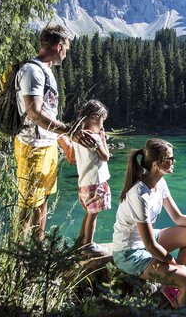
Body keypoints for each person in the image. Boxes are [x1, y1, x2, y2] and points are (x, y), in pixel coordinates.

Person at [112, 138, 186, 308]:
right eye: (170, 159)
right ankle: (178, 294)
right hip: (129, 252)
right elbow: (150, 246)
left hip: (147, 240)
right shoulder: (139, 195)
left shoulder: (160, 182)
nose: (174, 161)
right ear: (157, 164)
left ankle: (170, 285)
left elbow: (178, 217)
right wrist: (176, 264)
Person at [14, 25, 96, 241]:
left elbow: (48, 115)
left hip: (46, 147)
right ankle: (18, 257)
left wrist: (63, 143)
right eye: (66, 49)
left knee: (42, 202)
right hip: (32, 147)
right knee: (27, 205)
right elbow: (34, 113)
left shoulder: (46, 72)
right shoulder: (32, 71)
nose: (66, 53)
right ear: (59, 46)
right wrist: (70, 132)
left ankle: (38, 253)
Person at [70, 99, 111, 256]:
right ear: (94, 117)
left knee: (88, 213)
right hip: (96, 183)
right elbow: (105, 156)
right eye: (102, 121)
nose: (102, 125)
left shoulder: (78, 137)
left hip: (84, 182)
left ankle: (79, 243)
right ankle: (89, 245)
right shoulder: (94, 137)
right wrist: (103, 138)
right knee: (93, 216)